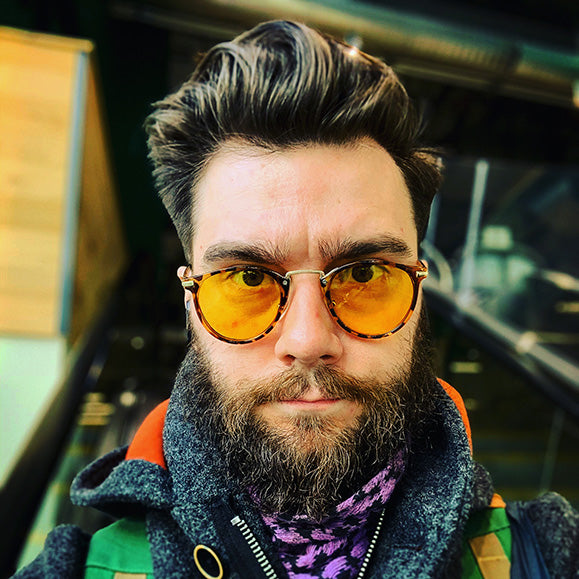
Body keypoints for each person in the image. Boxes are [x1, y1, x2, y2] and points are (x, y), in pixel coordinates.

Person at [15, 20, 578, 579]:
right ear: (190, 302)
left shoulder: (544, 557)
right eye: (247, 279)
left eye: (365, 273)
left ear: (419, 290)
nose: (307, 341)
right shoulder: (78, 570)